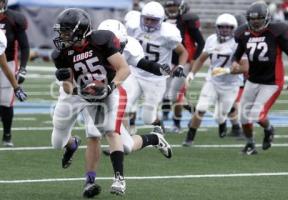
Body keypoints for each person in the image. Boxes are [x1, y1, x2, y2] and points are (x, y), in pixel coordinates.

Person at [51, 8, 130, 198]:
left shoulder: (102, 40)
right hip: (77, 93)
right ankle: (71, 144)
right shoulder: (61, 53)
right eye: (61, 30)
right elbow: (69, 88)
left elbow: (124, 69)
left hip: (103, 91)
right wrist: (66, 80)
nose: (62, 35)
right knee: (57, 142)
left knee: (111, 130)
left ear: (81, 30)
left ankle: (119, 179)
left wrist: (109, 88)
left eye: (66, 30)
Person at [97, 19, 173, 158]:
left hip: (121, 81)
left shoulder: (130, 47)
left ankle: (125, 141)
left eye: (117, 45)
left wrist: (160, 69)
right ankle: (119, 141)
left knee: (135, 120)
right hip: (103, 85)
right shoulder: (93, 45)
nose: (113, 48)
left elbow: (143, 64)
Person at [232, 1, 288, 155]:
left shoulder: (276, 32)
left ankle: (269, 129)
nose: (255, 22)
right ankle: (250, 144)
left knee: (257, 115)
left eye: (259, 19)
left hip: (272, 82)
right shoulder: (243, 33)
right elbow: (238, 53)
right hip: (252, 80)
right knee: (243, 116)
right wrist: (235, 62)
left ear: (267, 18)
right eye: (253, 19)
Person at [182, 13, 248, 147]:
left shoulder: (237, 43)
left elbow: (245, 67)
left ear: (234, 28)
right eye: (222, 27)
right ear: (217, 27)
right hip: (212, 81)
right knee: (201, 108)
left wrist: (228, 70)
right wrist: (191, 74)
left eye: (228, 27)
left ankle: (222, 124)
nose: (225, 30)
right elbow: (201, 59)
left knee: (220, 116)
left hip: (231, 84)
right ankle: (190, 137)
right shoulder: (211, 39)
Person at [126, 1, 188, 131]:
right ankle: (124, 139)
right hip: (135, 73)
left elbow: (183, 52)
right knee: (125, 106)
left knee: (148, 118)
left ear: (160, 20)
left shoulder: (168, 34)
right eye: (146, 19)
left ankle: (160, 127)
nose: (148, 22)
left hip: (156, 79)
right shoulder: (133, 27)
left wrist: (180, 66)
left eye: (153, 20)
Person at [162, 0, 205, 132]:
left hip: (184, 61)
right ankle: (193, 112)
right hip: (168, 61)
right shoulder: (161, 20)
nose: (171, 8)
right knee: (165, 93)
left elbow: (201, 42)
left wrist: (194, 60)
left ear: (180, 7)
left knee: (174, 94)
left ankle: (176, 124)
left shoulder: (187, 20)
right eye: (169, 6)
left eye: (174, 5)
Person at [0, 0, 29, 147]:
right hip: (4, 61)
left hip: (8, 61)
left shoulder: (13, 19)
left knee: (5, 101)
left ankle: (7, 134)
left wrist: (23, 68)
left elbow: (24, 46)